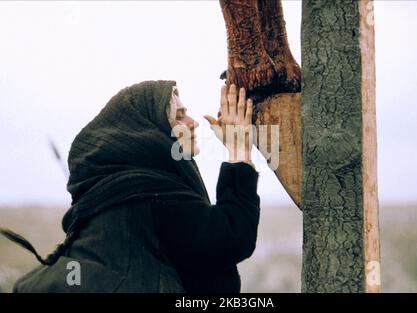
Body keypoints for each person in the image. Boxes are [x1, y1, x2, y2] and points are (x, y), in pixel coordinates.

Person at [1, 81, 260, 293]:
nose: (193, 123)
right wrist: (239, 151)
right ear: (150, 132)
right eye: (178, 116)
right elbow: (231, 238)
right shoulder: (151, 197)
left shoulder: (110, 195)